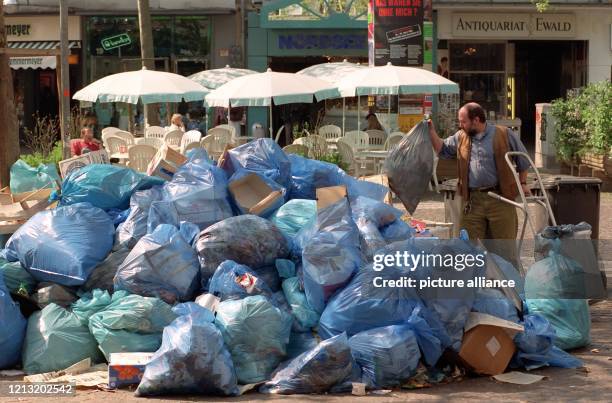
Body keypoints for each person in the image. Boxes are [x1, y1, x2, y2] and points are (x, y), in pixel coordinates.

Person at [428, 102, 530, 264]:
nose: (460, 125)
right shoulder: (461, 137)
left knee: (505, 252)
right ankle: (474, 287)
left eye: (463, 122)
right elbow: (442, 150)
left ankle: (509, 286)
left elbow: (523, 160)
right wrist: (431, 130)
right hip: (473, 201)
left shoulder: (504, 134)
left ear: (476, 120)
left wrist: (523, 183)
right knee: (468, 249)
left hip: (501, 199)